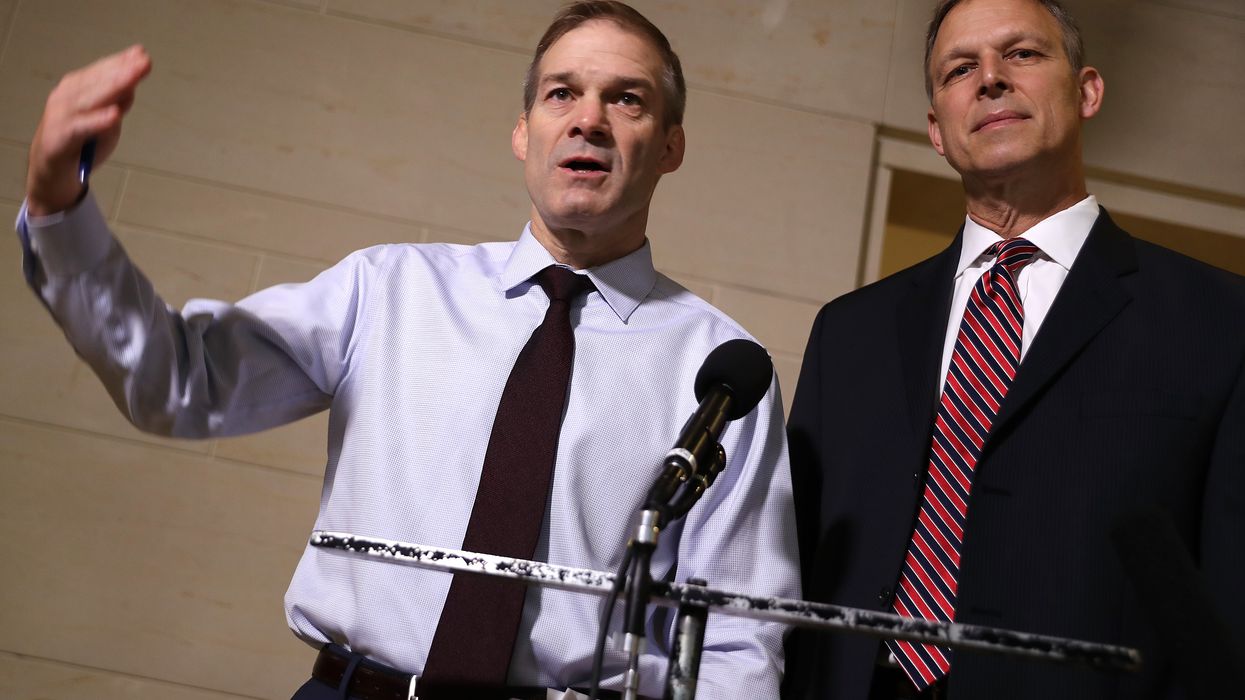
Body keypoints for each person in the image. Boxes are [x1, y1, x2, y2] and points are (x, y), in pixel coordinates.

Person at [16, 2, 799, 698]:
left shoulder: (724, 370)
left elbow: (737, 638)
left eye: (625, 99)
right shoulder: (386, 289)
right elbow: (181, 380)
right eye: (561, 93)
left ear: (669, 146)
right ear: (523, 131)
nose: (587, 119)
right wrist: (60, 208)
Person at [782, 0, 1245, 698]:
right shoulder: (849, 333)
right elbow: (795, 567)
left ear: (1086, 90)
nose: (990, 79)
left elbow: (1229, 599)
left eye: (1021, 54)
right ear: (937, 130)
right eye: (959, 68)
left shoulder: (1219, 319)